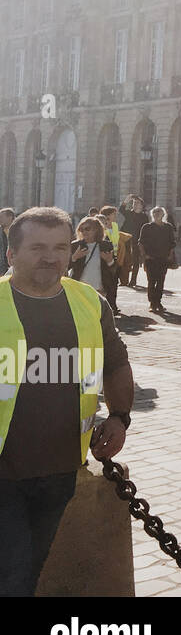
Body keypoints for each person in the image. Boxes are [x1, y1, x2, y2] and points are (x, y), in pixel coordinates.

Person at [0, 207, 134, 596]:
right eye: (37, 247)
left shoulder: (89, 302)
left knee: (31, 564)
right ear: (11, 255)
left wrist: (120, 417)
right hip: (3, 471)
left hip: (61, 466)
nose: (51, 257)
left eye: (61, 247)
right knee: (15, 576)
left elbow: (117, 363)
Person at [139, 206, 177, 314]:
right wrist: (144, 256)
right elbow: (141, 242)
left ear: (163, 214)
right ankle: (152, 303)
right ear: (152, 214)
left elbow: (172, 243)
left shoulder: (168, 227)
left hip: (163, 259)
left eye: (159, 212)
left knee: (161, 281)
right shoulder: (147, 227)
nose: (157, 214)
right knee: (151, 281)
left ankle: (158, 302)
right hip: (150, 259)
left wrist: (170, 255)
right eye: (155, 212)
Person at [70, 217, 117, 306]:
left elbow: (114, 269)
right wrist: (74, 257)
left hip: (99, 289)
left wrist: (110, 261)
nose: (84, 232)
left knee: (96, 317)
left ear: (96, 230)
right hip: (79, 289)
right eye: (81, 229)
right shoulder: (75, 245)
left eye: (87, 229)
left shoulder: (106, 245)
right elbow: (65, 266)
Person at [120, 197, 147, 288]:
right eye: (134, 203)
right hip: (127, 239)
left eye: (137, 203)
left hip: (137, 241)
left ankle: (133, 280)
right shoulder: (129, 213)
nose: (135, 204)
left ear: (142, 205)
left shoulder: (144, 217)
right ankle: (124, 280)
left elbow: (145, 230)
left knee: (135, 261)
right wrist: (126, 200)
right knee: (125, 260)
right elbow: (121, 209)